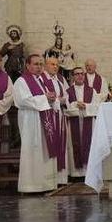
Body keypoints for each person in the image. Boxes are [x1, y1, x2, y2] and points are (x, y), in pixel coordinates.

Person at [13, 54, 59, 193]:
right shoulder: (22, 81)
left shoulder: (41, 81)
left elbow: (47, 98)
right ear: (28, 65)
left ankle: (46, 184)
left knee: (44, 150)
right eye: (36, 64)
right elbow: (22, 100)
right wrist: (45, 98)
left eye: (41, 64)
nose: (39, 67)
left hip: (44, 120)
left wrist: (52, 99)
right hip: (30, 120)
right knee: (33, 149)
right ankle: (31, 185)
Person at [65, 60, 108, 178]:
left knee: (89, 144)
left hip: (89, 122)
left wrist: (86, 106)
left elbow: (97, 106)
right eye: (77, 74)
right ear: (73, 77)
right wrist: (75, 105)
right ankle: (76, 173)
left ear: (84, 76)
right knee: (74, 145)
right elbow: (66, 107)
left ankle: (89, 172)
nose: (79, 76)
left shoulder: (92, 91)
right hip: (74, 122)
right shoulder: (68, 91)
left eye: (81, 74)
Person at [43, 56, 69, 185]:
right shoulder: (42, 78)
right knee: (52, 144)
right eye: (52, 64)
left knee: (61, 144)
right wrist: (59, 99)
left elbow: (66, 95)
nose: (55, 67)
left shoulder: (60, 79)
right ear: (45, 65)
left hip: (59, 115)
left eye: (57, 65)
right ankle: (51, 179)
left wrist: (62, 99)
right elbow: (48, 97)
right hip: (49, 116)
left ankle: (61, 179)